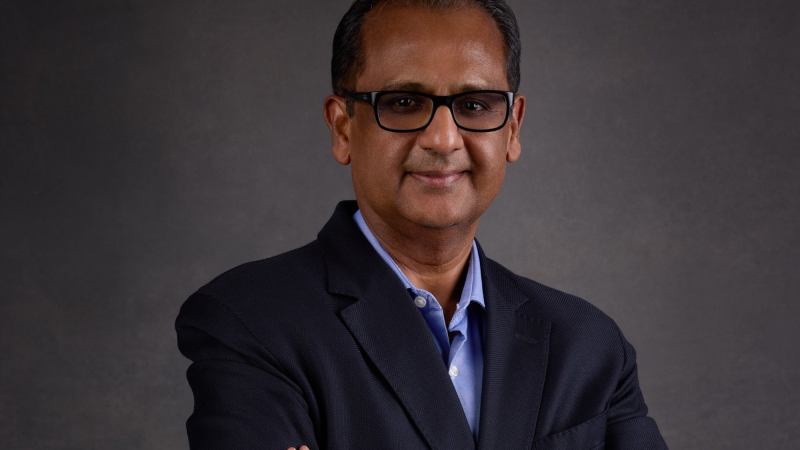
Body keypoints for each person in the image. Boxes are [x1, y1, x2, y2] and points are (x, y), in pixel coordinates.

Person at [175, 1, 668, 449]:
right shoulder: (252, 321)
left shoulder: (588, 346)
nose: (443, 139)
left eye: (474, 105)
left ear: (512, 128)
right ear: (343, 127)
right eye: (403, 103)